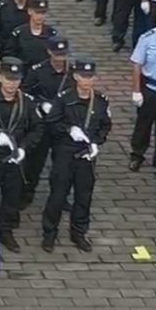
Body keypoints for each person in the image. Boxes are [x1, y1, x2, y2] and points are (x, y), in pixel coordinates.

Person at [43, 58, 111, 251]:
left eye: (90, 76)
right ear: (75, 77)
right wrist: (68, 129)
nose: (87, 80)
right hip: (65, 152)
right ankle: (49, 233)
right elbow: (52, 123)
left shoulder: (100, 101)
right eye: (83, 76)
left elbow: (105, 125)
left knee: (83, 196)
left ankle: (79, 233)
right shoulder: (64, 99)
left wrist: (97, 142)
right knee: (58, 195)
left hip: (86, 155)